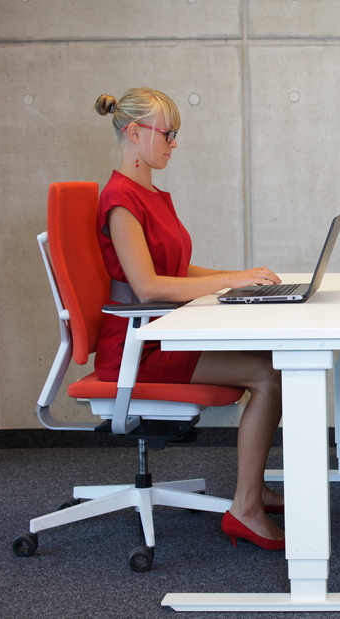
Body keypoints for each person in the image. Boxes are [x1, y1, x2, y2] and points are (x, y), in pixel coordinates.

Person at [94, 88, 286, 551]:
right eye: (168, 134)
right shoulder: (120, 200)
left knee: (271, 363)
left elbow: (174, 271)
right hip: (139, 349)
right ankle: (245, 508)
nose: (173, 144)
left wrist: (238, 278)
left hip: (161, 333)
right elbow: (149, 287)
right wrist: (228, 283)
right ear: (136, 133)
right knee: (267, 373)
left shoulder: (152, 194)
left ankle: (252, 490)